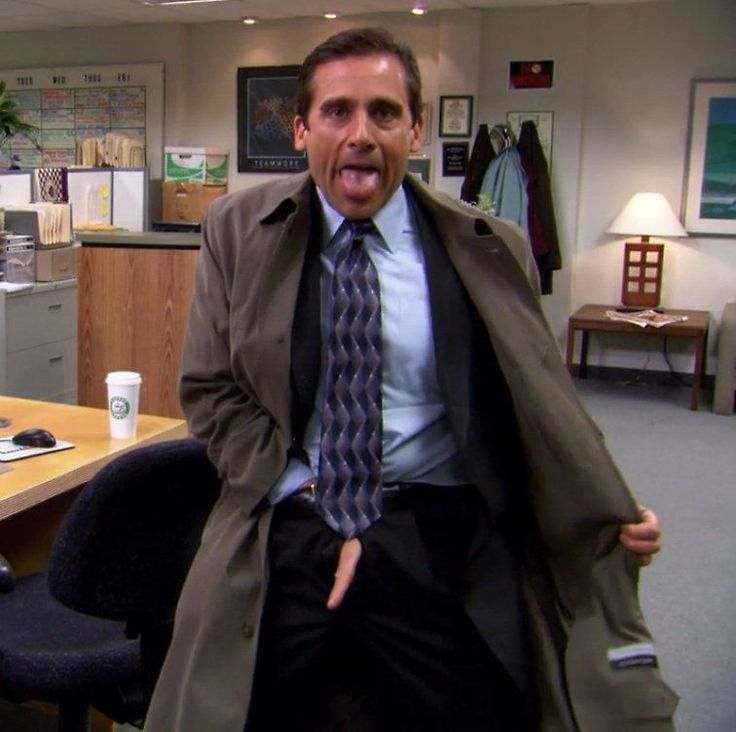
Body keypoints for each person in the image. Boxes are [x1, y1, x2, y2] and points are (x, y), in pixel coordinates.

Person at [145, 27, 675, 732]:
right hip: (294, 509)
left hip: (438, 522)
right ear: (301, 129)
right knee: (234, 702)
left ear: (416, 129)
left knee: (493, 703)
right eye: (337, 112)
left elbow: (541, 404)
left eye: (384, 113)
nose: (361, 134)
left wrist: (603, 506)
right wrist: (313, 493)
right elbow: (212, 392)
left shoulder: (486, 247)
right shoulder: (239, 231)